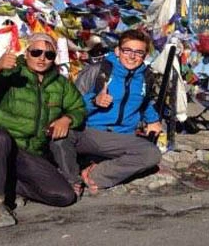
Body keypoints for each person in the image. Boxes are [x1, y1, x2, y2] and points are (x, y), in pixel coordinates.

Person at [0, 32, 87, 228]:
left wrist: (67, 119)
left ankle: (9, 185)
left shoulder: (61, 84)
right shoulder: (11, 74)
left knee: (64, 196)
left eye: (49, 55)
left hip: (28, 155)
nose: (42, 58)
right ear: (27, 53)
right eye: (36, 52)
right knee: (0, 137)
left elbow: (79, 108)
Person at [49, 29, 162, 194]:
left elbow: (145, 102)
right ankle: (72, 180)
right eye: (127, 50)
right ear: (117, 51)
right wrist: (94, 102)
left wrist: (153, 120)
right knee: (60, 135)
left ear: (144, 55)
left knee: (151, 154)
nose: (132, 56)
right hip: (90, 133)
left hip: (121, 137)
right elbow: (71, 105)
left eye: (138, 52)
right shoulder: (97, 71)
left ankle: (96, 175)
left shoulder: (145, 77)